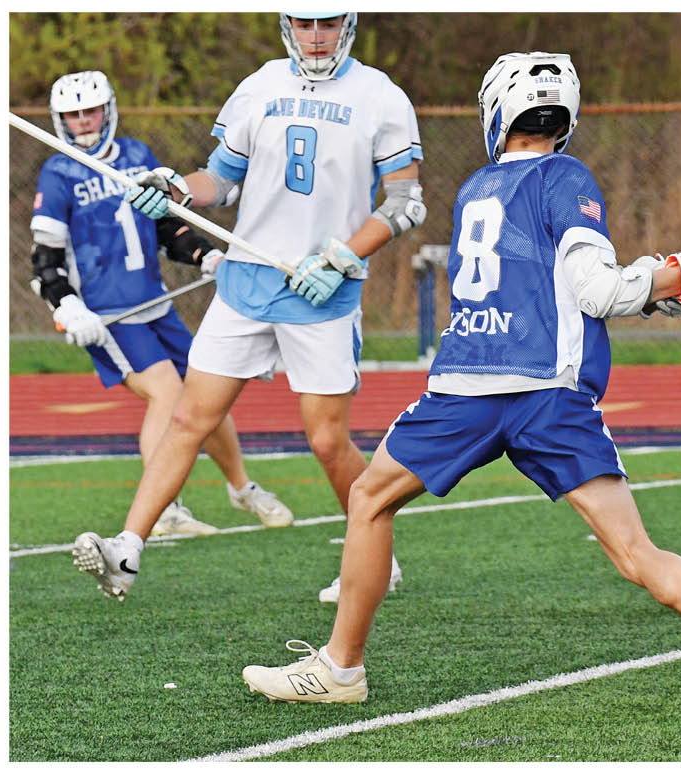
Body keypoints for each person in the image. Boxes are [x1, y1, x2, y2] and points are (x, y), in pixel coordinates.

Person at [240, 51, 681, 712]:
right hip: (549, 393)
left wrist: (674, 280)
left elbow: (569, 290)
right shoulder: (566, 174)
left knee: (369, 498)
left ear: (497, 111)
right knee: (633, 551)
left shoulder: (477, 189)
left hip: (468, 387)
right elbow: (598, 292)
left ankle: (342, 669)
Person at [71, 13, 422, 600]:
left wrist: (342, 257)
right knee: (188, 418)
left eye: (328, 24)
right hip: (246, 284)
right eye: (306, 24)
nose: (317, 36)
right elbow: (219, 180)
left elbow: (407, 203)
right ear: (287, 26)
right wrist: (175, 188)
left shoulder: (381, 96)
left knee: (328, 441)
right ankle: (127, 549)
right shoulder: (259, 85)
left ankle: (377, 562)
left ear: (348, 26)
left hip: (322, 292)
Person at [33, 70, 292, 540]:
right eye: (72, 115)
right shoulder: (59, 173)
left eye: (90, 110)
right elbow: (45, 260)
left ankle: (242, 487)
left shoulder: (136, 156)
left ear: (107, 110)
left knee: (207, 393)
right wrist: (65, 305)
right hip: (109, 317)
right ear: (59, 120)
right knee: (169, 396)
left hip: (157, 305)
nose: (83, 122)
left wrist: (204, 254)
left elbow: (166, 228)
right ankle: (166, 509)